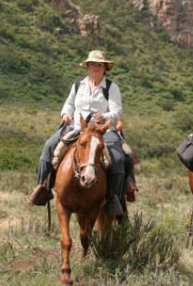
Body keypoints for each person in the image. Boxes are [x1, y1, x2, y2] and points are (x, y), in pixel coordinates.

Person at [27, 50, 126, 216]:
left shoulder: (111, 87)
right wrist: (65, 114)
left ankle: (113, 198)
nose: (96, 67)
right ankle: (42, 187)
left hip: (102, 130)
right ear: (88, 66)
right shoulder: (78, 86)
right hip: (76, 128)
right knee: (49, 146)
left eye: (100, 65)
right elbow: (69, 105)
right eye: (93, 64)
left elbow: (117, 111)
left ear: (104, 68)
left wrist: (104, 116)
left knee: (119, 158)